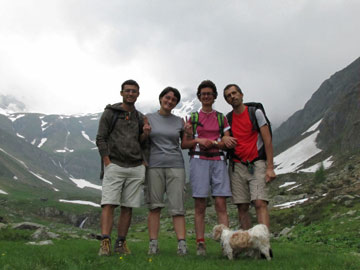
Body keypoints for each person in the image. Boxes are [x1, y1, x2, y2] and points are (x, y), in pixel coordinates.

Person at [96, 79, 150, 256]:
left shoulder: (140, 117)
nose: (130, 94)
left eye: (134, 91)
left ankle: (121, 243)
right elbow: (101, 138)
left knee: (128, 206)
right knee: (109, 204)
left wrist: (145, 134)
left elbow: (142, 142)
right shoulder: (110, 113)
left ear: (138, 94)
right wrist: (107, 161)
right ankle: (105, 242)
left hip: (135, 166)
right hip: (115, 164)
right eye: (127, 91)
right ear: (121, 93)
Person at [181, 80, 232, 256]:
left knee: (220, 203)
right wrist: (197, 140)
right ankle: (200, 243)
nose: (206, 96)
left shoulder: (221, 117)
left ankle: (226, 244)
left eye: (209, 94)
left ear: (214, 96)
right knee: (200, 204)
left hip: (218, 160)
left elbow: (228, 142)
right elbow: (185, 144)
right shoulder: (193, 118)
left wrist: (215, 143)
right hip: (198, 161)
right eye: (203, 94)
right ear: (199, 97)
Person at [222, 84, 276, 231]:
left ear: (241, 94)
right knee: (242, 206)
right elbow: (225, 141)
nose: (232, 97)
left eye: (234, 93)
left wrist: (270, 167)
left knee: (260, 202)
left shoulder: (255, 112)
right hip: (237, 166)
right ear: (227, 100)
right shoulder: (228, 119)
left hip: (257, 163)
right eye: (228, 95)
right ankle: (247, 244)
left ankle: (264, 245)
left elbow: (267, 140)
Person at [145, 87, 188, 256]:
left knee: (178, 206)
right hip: (154, 165)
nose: (170, 101)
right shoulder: (148, 118)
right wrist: (144, 133)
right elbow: (142, 140)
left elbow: (185, 143)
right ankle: (153, 244)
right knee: (154, 206)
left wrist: (189, 133)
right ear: (161, 98)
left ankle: (182, 245)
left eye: (174, 99)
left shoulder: (179, 122)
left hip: (176, 165)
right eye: (167, 97)